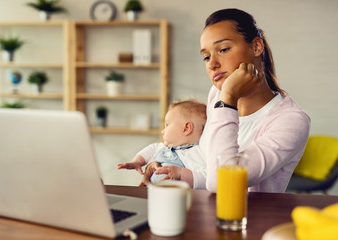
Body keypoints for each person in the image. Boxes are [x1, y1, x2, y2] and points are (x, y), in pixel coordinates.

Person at [143, 8, 310, 193]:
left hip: (248, 219)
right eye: (206, 57)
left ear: (256, 47)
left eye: (223, 49)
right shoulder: (216, 93)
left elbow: (223, 182)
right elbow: (204, 155)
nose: (212, 64)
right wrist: (161, 163)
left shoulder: (291, 120)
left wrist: (229, 99)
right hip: (201, 210)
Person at [117, 99, 207, 189]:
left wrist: (180, 173)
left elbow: (204, 178)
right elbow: (150, 149)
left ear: (186, 128)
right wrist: (137, 162)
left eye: (167, 124)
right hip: (152, 192)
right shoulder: (164, 147)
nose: (162, 131)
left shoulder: (194, 153)